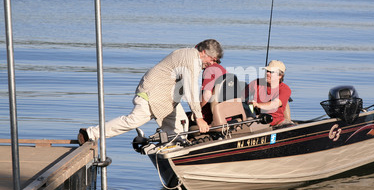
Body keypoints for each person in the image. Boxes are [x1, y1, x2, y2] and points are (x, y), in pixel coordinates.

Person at [78, 39, 223, 145]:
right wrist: (199, 117)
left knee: (179, 126)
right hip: (152, 94)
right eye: (213, 59)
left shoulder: (189, 55)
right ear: (204, 52)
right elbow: (190, 89)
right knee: (134, 120)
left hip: (166, 98)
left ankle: (174, 151)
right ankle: (90, 133)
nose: (212, 64)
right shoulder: (192, 59)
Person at [245, 60, 291, 126]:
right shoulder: (256, 83)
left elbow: (275, 104)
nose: (267, 73)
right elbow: (240, 97)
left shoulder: (285, 89)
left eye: (271, 72)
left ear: (280, 76)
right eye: (267, 71)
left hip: (277, 123)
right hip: (256, 119)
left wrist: (258, 105)